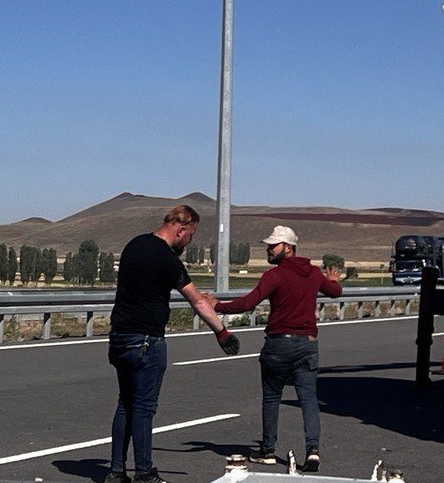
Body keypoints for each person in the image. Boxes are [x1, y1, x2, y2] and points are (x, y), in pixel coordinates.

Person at [105, 204, 239, 483]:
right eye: (190, 235)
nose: (189, 241)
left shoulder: (134, 245)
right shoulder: (167, 260)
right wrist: (222, 332)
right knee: (143, 407)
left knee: (125, 404)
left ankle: (116, 471)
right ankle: (144, 473)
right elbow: (198, 301)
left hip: (119, 337)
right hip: (146, 340)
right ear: (180, 230)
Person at [214, 225, 342, 473]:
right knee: (309, 399)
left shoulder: (274, 276)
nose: (268, 250)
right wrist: (333, 281)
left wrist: (217, 306)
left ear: (288, 248)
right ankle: (313, 451)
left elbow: (248, 303)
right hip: (307, 345)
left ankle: (268, 451)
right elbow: (335, 291)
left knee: (272, 397)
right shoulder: (314, 274)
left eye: (273, 246)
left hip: (278, 345)